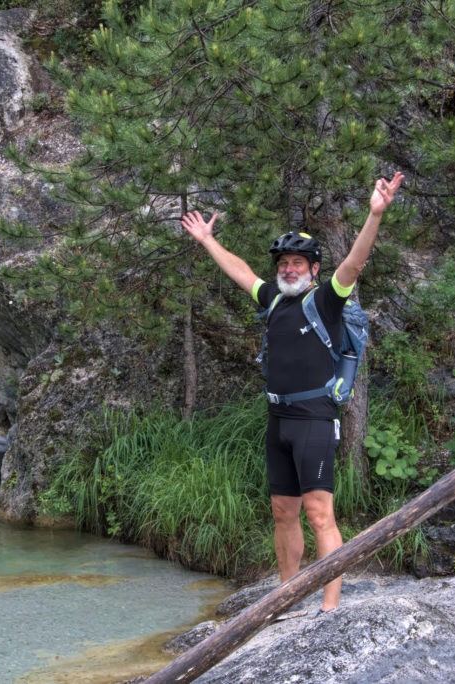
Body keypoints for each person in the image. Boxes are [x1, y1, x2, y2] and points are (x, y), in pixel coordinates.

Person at [180, 172, 404, 612]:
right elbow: (241, 272)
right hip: (278, 420)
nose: (288, 268)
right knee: (283, 511)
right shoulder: (275, 300)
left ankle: (330, 607)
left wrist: (375, 215)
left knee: (320, 513)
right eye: (283, 262)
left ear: (313, 269)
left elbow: (355, 264)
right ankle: (286, 596)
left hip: (315, 420)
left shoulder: (326, 300)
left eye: (297, 263)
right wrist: (208, 240)